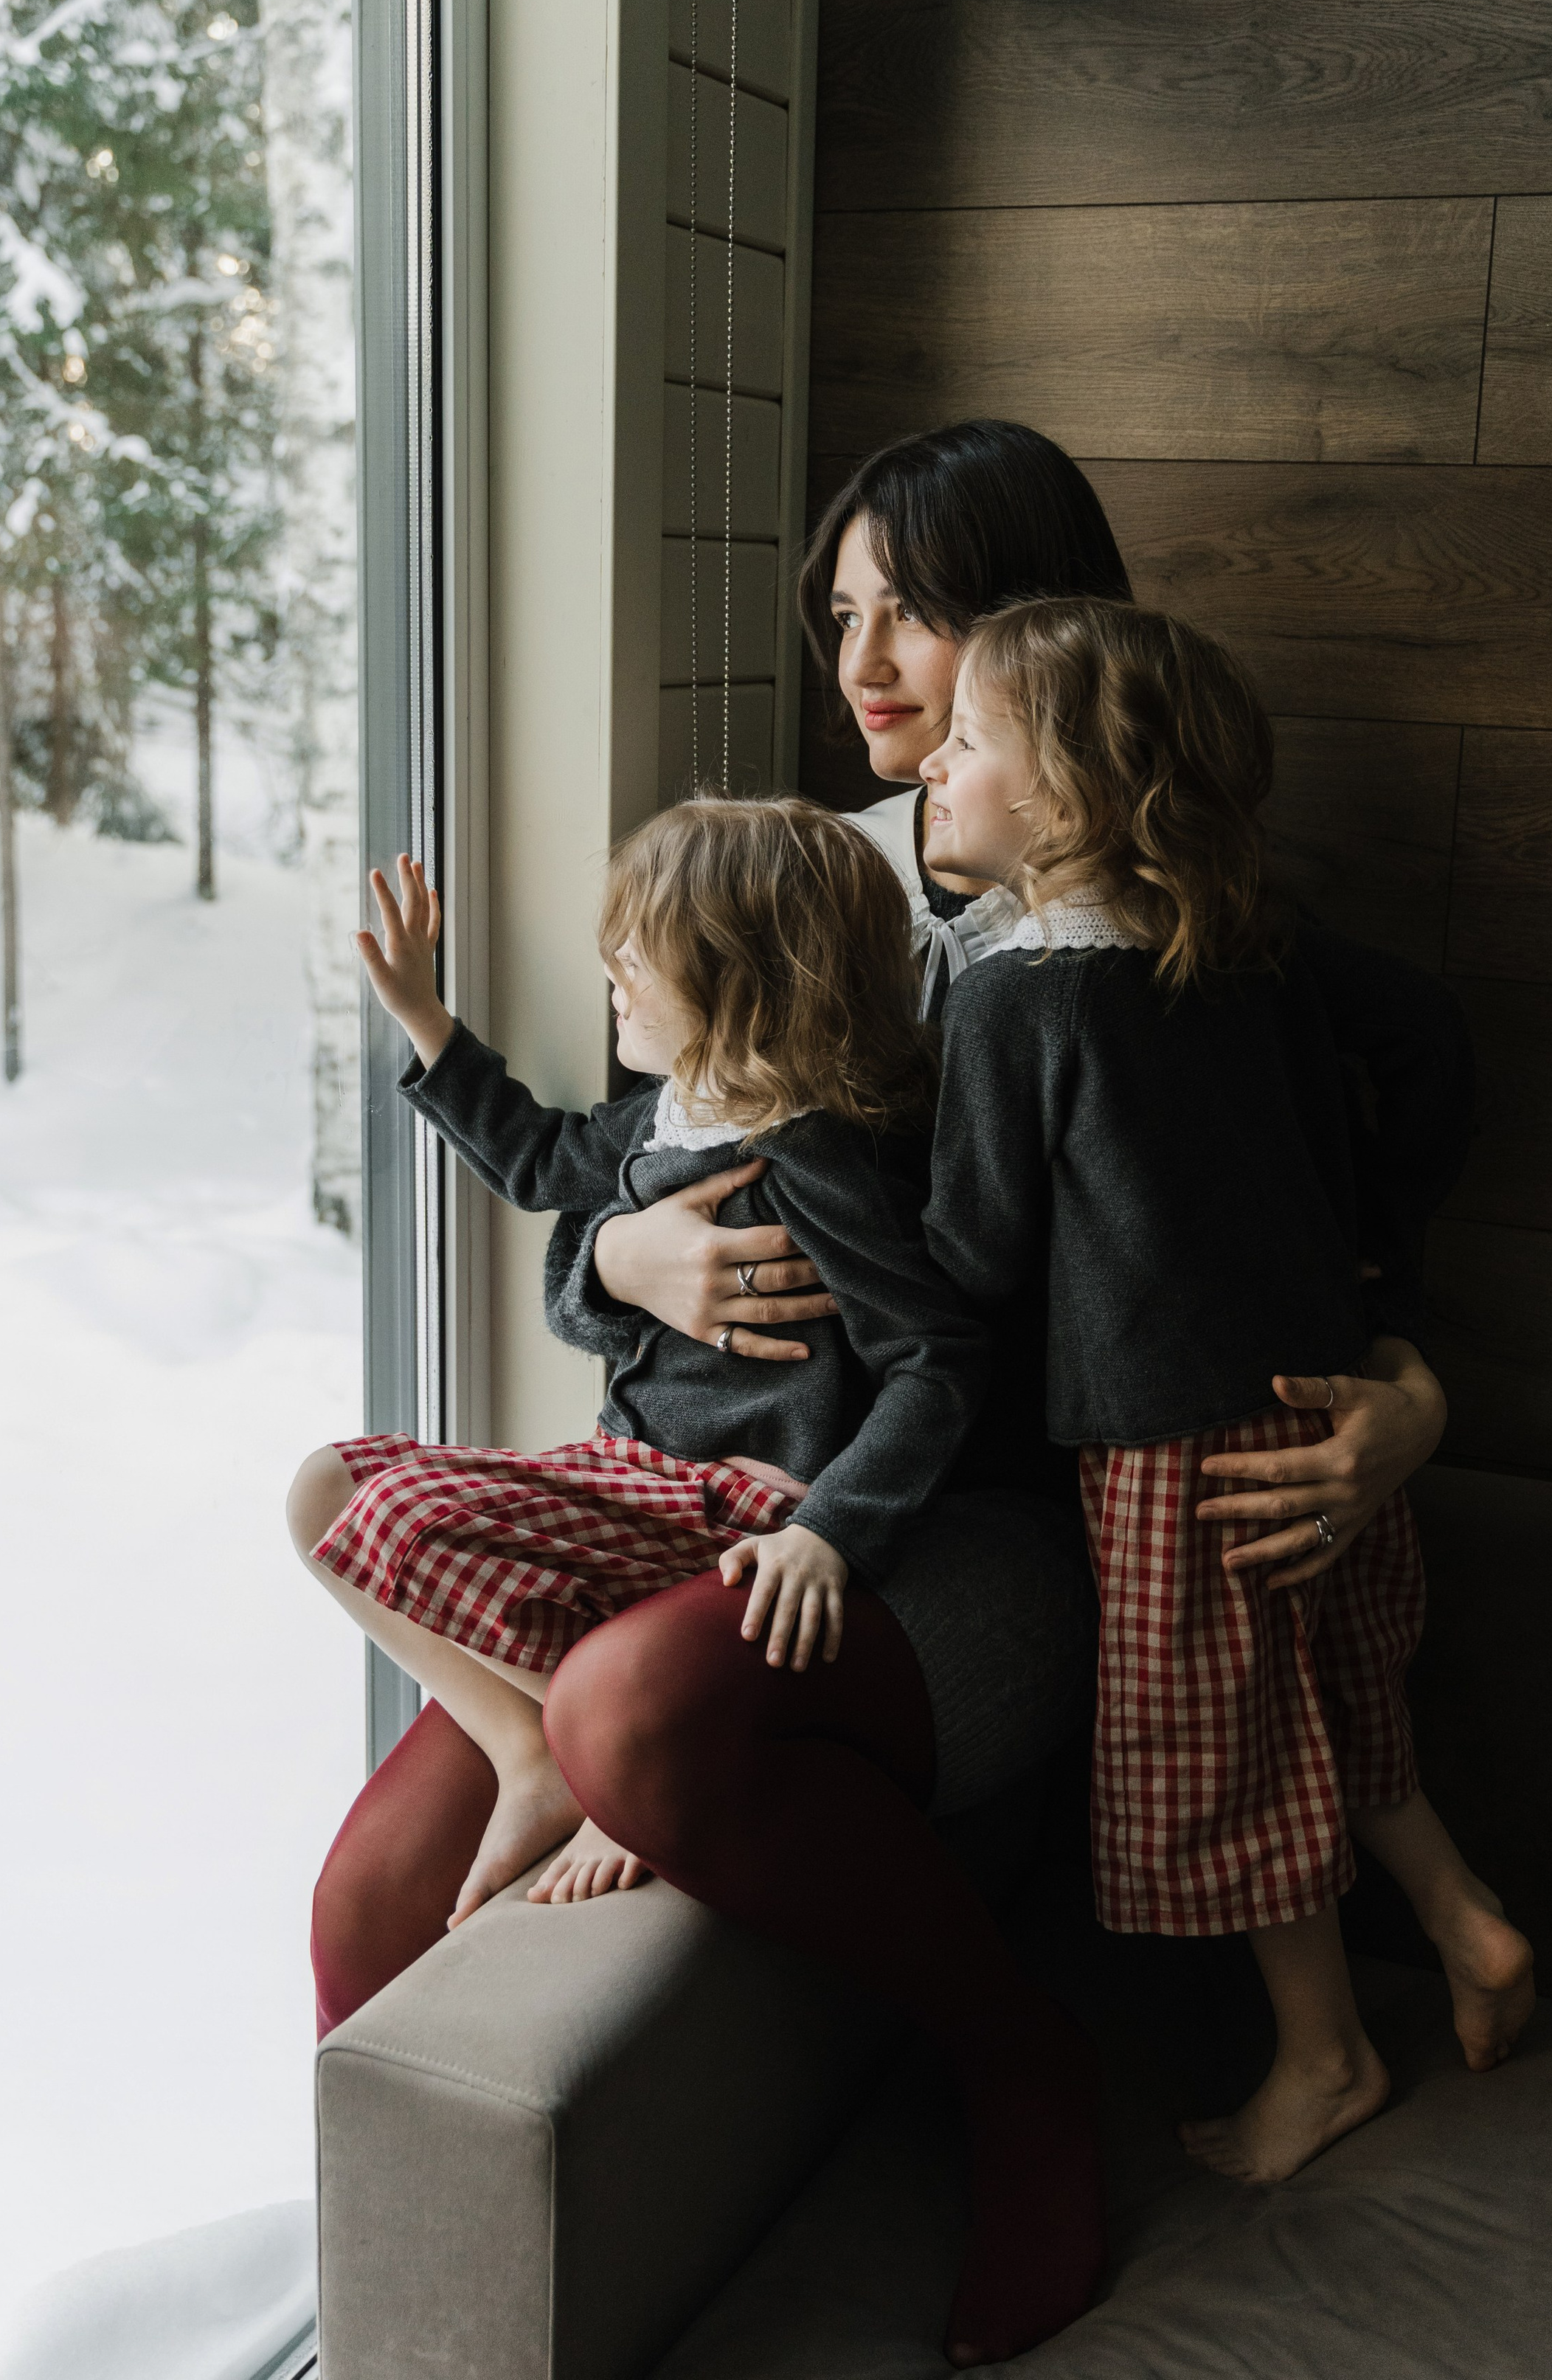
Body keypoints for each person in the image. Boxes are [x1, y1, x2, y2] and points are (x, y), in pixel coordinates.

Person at [308, 425, 1455, 2050]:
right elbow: (652, 1153)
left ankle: (1022, 2077)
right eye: (842, 615)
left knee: (634, 1713)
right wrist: (611, 1269)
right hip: (738, 1459)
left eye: (913, 614)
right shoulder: (796, 872)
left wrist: (1393, 1354)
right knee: (370, 1903)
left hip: (979, 1496)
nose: (862, 664)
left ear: (1042, 635)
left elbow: (1319, 1134)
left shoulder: (1153, 906)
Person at [291, 801, 1103, 2367]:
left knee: (520, 1612)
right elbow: (543, 1159)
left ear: (738, 982)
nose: (605, 968)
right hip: (633, 1490)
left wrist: (831, 1529)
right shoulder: (667, 1114)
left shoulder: (818, 1152)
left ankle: (1017, 2064)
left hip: (745, 1520)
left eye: (635, 954)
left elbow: (938, 1358)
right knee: (330, 1491)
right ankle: (535, 1748)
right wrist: (427, 1026)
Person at [916, 595, 1535, 2186]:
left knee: (1239, 1765)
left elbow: (974, 1251)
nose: (930, 762)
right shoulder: (1242, 947)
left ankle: (1326, 2058)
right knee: (1337, 1707)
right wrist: (1377, 1254)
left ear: (1061, 798)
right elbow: (1419, 1048)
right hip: (1326, 1409)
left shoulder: (1014, 993)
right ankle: (1463, 1917)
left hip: (1172, 1453)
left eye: (966, 740)